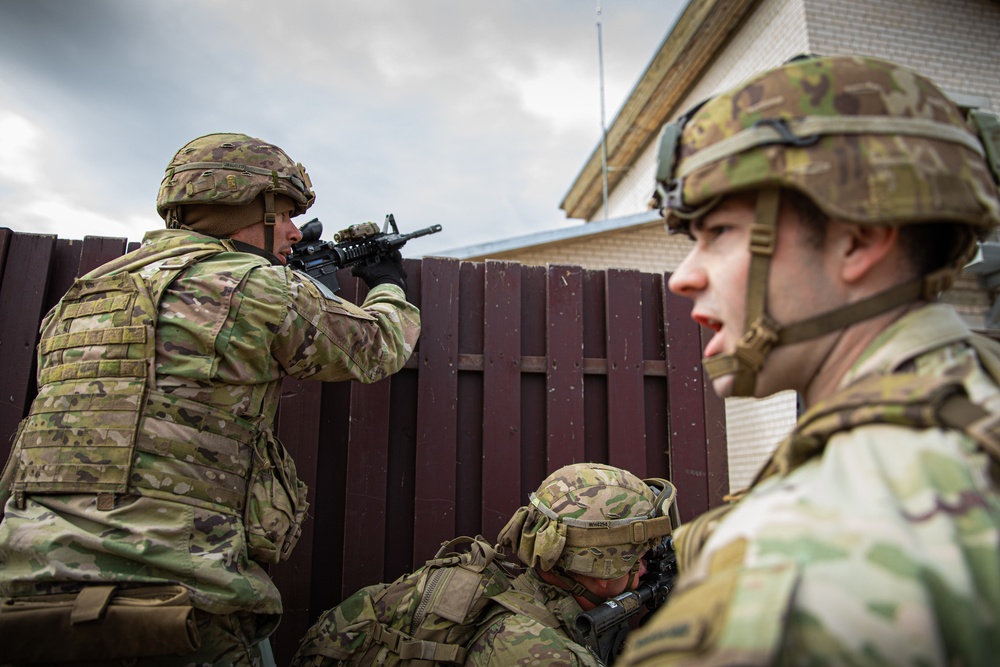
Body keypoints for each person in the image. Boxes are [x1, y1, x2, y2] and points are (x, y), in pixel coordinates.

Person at [619, 55, 1000, 666]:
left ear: (859, 238)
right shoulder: (971, 389)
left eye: (718, 232)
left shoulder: (793, 568)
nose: (684, 278)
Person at [0, 133, 421, 666]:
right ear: (248, 208)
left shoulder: (82, 297)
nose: (293, 231)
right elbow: (379, 346)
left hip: (25, 591)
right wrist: (387, 282)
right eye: (285, 213)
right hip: (175, 599)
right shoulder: (258, 287)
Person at [291, 462, 678, 666]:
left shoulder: (527, 592)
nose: (646, 564)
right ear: (600, 564)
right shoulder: (536, 652)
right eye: (639, 553)